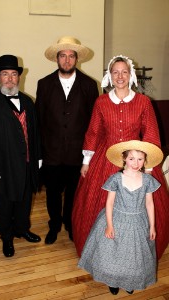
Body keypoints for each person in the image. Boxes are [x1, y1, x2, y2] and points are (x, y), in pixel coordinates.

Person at [72, 55, 169, 260]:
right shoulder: (101, 102)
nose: (120, 76)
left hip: (137, 162)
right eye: (115, 72)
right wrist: (86, 161)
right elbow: (93, 132)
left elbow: (151, 132)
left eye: (124, 71)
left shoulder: (143, 102)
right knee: (101, 207)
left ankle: (134, 257)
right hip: (106, 159)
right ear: (110, 75)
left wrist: (148, 167)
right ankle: (104, 256)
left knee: (138, 210)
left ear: (130, 74)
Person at [0, 55, 42, 257]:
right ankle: (6, 238)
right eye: (5, 74)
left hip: (27, 164)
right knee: (4, 206)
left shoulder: (28, 102)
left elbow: (35, 131)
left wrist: (38, 156)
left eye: (14, 74)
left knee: (24, 202)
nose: (10, 79)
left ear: (19, 77)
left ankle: (22, 229)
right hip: (3, 168)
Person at [35, 36, 99, 244]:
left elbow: (93, 123)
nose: (67, 60)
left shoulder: (89, 85)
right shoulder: (44, 85)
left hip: (77, 154)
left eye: (71, 56)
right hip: (51, 153)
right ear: (57, 58)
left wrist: (89, 155)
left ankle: (71, 225)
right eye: (63, 55)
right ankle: (54, 225)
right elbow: (39, 120)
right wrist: (39, 154)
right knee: (52, 194)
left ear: (77, 59)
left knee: (73, 194)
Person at [78, 140, 163, 295]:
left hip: (139, 222)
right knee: (113, 254)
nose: (136, 163)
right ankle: (113, 281)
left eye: (140, 159)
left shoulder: (148, 180)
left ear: (145, 160)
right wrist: (109, 225)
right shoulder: (116, 178)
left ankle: (130, 281)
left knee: (134, 256)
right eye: (131, 158)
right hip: (116, 219)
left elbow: (149, 204)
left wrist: (152, 226)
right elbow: (109, 203)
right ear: (124, 159)